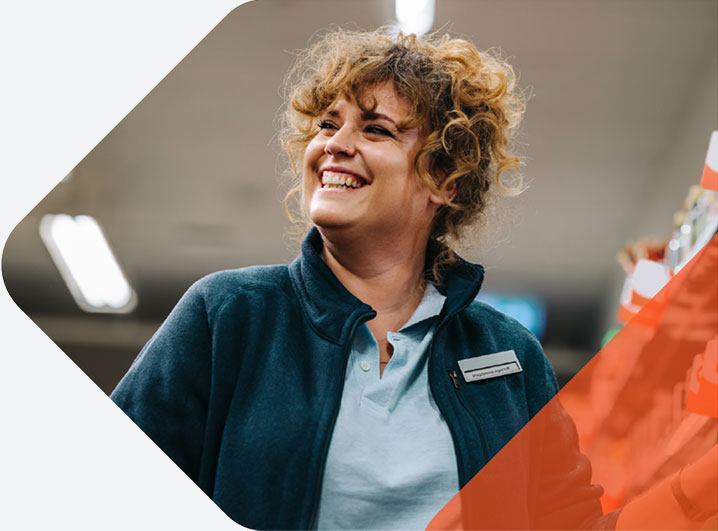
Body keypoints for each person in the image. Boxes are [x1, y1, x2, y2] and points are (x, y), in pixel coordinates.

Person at [111, 27, 717, 530]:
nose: (335, 146)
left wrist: (697, 489)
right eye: (327, 124)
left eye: (375, 130)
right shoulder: (229, 316)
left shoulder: (507, 356)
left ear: (443, 182)